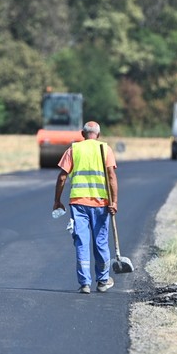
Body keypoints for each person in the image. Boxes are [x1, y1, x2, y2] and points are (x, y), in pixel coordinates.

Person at [53, 121, 118, 294]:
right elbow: (112, 177)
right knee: (100, 242)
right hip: (101, 204)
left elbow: (62, 178)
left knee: (81, 242)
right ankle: (103, 281)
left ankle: (85, 284)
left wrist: (57, 200)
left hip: (78, 203)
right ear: (99, 134)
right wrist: (115, 202)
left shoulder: (73, 149)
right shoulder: (106, 149)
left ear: (83, 133)